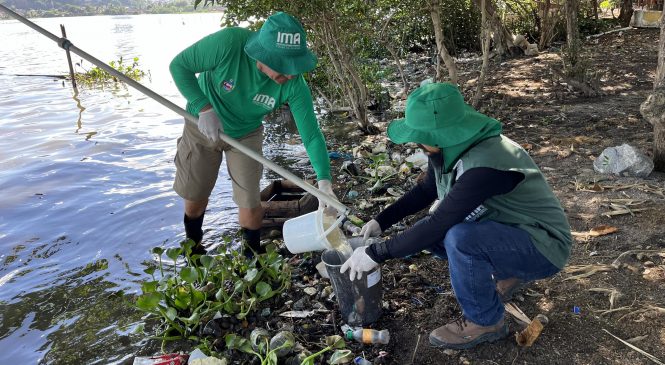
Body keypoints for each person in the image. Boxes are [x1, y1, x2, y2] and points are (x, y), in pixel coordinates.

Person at [340, 83, 572, 350]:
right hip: (514, 232)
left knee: (459, 238)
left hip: (545, 247)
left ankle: (486, 321)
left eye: (419, 137)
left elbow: (439, 222)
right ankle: (508, 273)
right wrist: (381, 220)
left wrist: (376, 254)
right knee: (431, 236)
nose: (417, 143)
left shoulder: (484, 165)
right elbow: (427, 189)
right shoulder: (450, 147)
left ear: (438, 136)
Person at [169, 12, 337, 256]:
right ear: (262, 54)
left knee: (249, 202)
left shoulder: (294, 84)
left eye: (294, 67)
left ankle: (250, 258)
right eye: (283, 67)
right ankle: (194, 250)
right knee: (195, 199)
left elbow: (310, 135)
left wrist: (324, 181)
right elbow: (179, 66)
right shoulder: (229, 44)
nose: (289, 75)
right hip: (202, 126)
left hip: (246, 134)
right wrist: (203, 107)